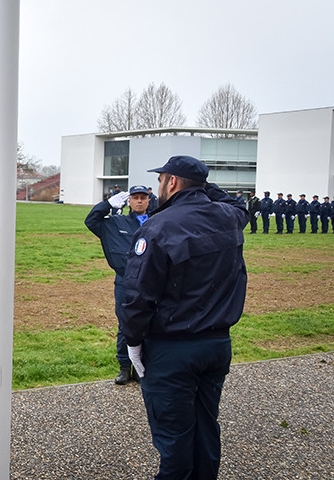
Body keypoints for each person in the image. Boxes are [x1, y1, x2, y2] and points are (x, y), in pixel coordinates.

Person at [121, 155, 247, 480]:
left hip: (172, 349)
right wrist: (202, 185)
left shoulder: (158, 226)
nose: (157, 187)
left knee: (175, 443)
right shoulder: (228, 218)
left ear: (172, 182)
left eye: (162, 179)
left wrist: (132, 343)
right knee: (206, 431)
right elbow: (237, 205)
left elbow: (136, 297)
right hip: (217, 345)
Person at [85, 185, 151, 385]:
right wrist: (105, 205)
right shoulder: (116, 222)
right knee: (125, 324)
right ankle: (124, 367)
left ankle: (142, 368)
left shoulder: (157, 222)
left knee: (148, 324)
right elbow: (91, 221)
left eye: (143, 198)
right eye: (135, 198)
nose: (139, 201)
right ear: (128, 201)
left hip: (150, 281)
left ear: (149, 200)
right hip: (125, 280)